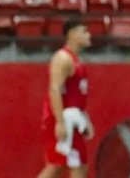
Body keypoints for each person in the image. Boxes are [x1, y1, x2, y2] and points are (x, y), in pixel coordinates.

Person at [37, 18, 94, 178]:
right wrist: (60, 122)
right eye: (84, 31)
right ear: (72, 34)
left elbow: (76, 95)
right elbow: (54, 89)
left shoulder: (76, 61)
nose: (89, 35)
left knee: (65, 166)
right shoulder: (63, 58)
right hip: (62, 119)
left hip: (73, 119)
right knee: (63, 166)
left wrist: (85, 118)